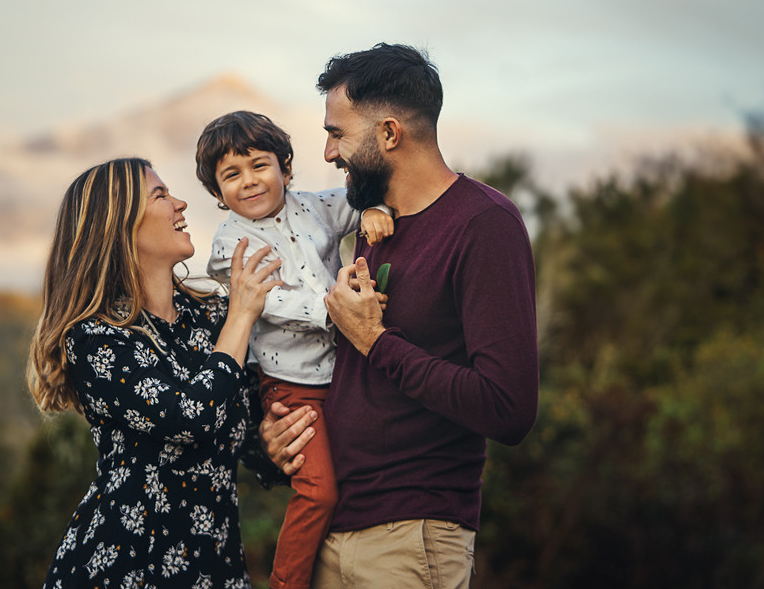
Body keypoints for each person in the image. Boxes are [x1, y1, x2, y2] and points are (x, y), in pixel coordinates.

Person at [260, 43, 540, 589]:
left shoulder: (484, 225)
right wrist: (279, 438)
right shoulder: (376, 229)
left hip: (410, 542)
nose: (327, 153)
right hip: (335, 531)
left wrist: (375, 339)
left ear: (390, 134)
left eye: (337, 133)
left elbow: (509, 409)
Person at [27, 157, 290, 589]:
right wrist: (242, 316)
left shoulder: (211, 319)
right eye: (161, 195)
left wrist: (271, 447)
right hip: (126, 567)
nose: (181, 204)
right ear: (120, 223)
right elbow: (189, 418)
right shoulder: (96, 337)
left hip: (216, 568)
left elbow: (239, 433)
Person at [195, 111, 393, 589]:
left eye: (259, 165)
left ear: (285, 167)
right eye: (231, 175)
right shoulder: (231, 246)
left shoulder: (315, 206)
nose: (249, 182)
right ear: (217, 194)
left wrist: (371, 209)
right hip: (293, 389)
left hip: (346, 373)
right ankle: (286, 583)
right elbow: (271, 300)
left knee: (369, 471)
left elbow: (362, 196)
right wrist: (338, 310)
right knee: (319, 491)